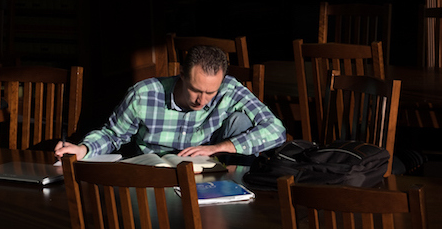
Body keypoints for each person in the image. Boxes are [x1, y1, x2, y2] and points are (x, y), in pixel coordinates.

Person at [55, 45, 287, 160]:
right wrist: (83, 148)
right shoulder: (144, 94)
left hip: (209, 176)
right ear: (181, 76)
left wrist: (220, 147)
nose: (201, 100)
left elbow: (276, 130)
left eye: (210, 93)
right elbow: (113, 135)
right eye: (195, 90)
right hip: (154, 175)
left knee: (241, 120)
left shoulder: (229, 89)